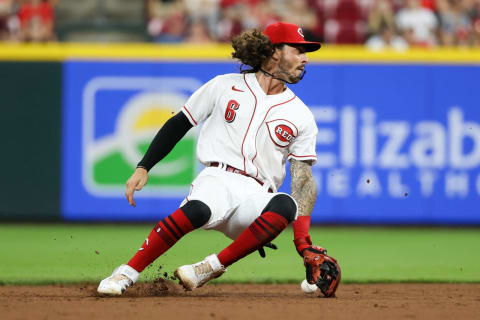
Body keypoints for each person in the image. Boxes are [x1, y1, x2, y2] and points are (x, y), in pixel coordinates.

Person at [97, 21, 341, 297]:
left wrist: (303, 242)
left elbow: (303, 181)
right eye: (298, 50)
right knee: (197, 210)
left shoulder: (301, 115)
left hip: (257, 194)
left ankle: (209, 267)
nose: (305, 58)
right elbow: (179, 123)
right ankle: (126, 272)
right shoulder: (225, 86)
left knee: (285, 203)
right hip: (217, 178)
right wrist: (144, 166)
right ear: (275, 52)